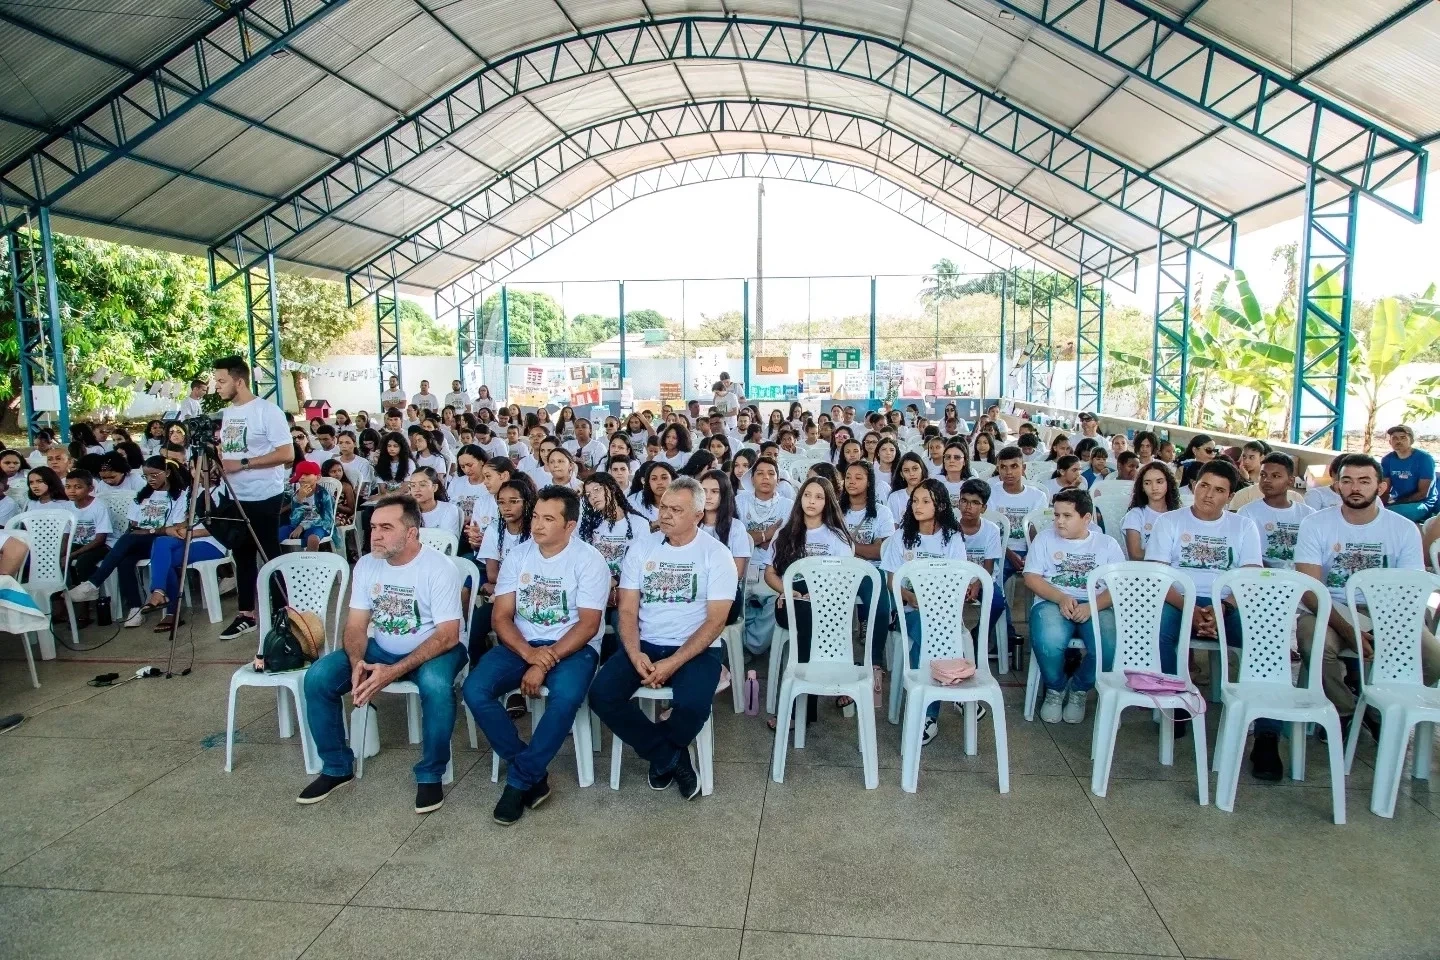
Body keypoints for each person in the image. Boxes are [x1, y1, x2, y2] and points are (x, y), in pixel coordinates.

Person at [298, 495, 464, 812]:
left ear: (412, 532)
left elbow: (448, 636)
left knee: (436, 687)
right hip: (383, 645)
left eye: (386, 527)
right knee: (318, 678)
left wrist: (394, 671)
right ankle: (335, 767)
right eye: (373, 526)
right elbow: (356, 626)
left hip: (434, 648)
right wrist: (356, 662)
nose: (375, 534)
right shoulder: (367, 564)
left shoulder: (438, 568)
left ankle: (430, 774)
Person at [464, 486, 609, 824]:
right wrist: (531, 655)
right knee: (474, 690)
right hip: (522, 644)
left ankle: (518, 780)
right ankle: (527, 765)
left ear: (570, 525)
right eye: (536, 517)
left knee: (565, 697)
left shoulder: (589, 561)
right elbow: (501, 617)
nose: (538, 525)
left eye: (548, 519)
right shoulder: (519, 555)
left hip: (573, 647)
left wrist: (546, 660)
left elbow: (588, 625)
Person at [588, 477, 737, 800]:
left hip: (697, 647)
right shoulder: (642, 548)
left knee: (694, 705)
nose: (665, 515)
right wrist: (635, 651)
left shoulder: (716, 554)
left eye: (676, 510)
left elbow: (716, 620)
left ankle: (661, 756)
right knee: (601, 694)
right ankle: (669, 755)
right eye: (663, 507)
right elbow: (626, 611)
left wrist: (672, 662)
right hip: (646, 642)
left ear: (698, 515)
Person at [1294, 453, 1440, 745]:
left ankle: (1374, 706)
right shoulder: (1316, 524)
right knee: (1314, 641)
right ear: (1337, 486)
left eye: (1364, 481)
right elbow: (1310, 589)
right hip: (1331, 608)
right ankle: (1346, 711)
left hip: (1387, 610)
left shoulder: (1403, 529)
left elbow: (1408, 589)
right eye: (1347, 481)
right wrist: (1349, 630)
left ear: (1381, 487)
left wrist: (1379, 628)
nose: (1355, 488)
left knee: (1433, 660)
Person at [1144, 460, 1270, 770]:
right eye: (1203, 486)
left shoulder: (1243, 526)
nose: (1208, 495)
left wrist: (1223, 607)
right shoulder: (1170, 522)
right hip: (1178, 598)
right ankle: (1176, 703)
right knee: (1160, 629)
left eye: (1219, 490)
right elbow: (1157, 576)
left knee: (1266, 638)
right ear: (1193, 486)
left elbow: (1250, 576)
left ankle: (1267, 731)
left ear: (1230, 496)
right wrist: (1190, 608)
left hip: (1227, 602)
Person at [880, 478, 969, 744]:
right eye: (915, 500)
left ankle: (927, 713)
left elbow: (958, 580)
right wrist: (908, 595)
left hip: (942, 611)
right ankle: (960, 691)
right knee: (930, 632)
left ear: (940, 505)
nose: (918, 506)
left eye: (925, 501)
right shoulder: (901, 537)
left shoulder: (952, 538)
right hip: (908, 611)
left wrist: (934, 600)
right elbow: (891, 580)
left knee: (929, 637)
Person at [1023, 489, 1123, 724]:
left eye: (1067, 516)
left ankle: (1079, 689)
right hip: (1052, 601)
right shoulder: (1045, 539)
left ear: (1086, 518)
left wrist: (1092, 607)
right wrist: (1060, 597)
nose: (1059, 521)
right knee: (1049, 641)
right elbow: (1031, 577)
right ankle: (1055, 689)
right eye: (1056, 515)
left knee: (1107, 646)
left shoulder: (1107, 544)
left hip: (1096, 604)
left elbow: (1118, 586)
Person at [211, 355, 292, 641]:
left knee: (268, 554)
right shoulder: (229, 413)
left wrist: (243, 463)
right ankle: (247, 614)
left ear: (239, 381)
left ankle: (284, 612)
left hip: (264, 495)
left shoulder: (267, 411)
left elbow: (286, 454)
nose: (216, 386)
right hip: (236, 495)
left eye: (221, 381)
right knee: (241, 554)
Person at [764, 477, 855, 726]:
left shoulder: (837, 537)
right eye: (807, 495)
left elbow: (845, 578)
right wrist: (787, 591)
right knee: (803, 612)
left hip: (827, 602)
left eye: (818, 497)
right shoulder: (785, 534)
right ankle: (808, 701)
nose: (811, 501)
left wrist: (817, 595)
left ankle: (800, 709)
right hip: (790, 598)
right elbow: (769, 573)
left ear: (828, 502)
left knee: (810, 615)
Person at [67, 457, 188, 627]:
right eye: (146, 476)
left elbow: (174, 528)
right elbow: (134, 526)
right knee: (125, 560)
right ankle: (135, 608)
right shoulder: (142, 496)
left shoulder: (180, 497)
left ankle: (93, 583)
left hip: (163, 543)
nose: (150, 480)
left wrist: (151, 531)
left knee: (128, 538)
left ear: (167, 473)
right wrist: (151, 530)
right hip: (141, 541)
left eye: (154, 475)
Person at [738, 457, 793, 657]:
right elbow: (736, 537)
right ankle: (740, 644)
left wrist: (751, 537)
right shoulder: (739, 501)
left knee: (779, 600)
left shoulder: (788, 505)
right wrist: (766, 535)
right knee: (733, 602)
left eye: (771, 473)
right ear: (752, 479)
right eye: (760, 473)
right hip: (742, 568)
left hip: (770, 570)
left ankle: (752, 645)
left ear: (778, 479)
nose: (765, 477)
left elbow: (785, 541)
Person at [1237, 453, 1314, 570]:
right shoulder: (1247, 512)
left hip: (1300, 578)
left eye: (1276, 476)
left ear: (1291, 481)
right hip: (1261, 578)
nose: (1267, 480)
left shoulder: (1307, 514)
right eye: (1263, 475)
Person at [987, 446, 1050, 580]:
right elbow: (990, 531)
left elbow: (1035, 530)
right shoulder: (991, 494)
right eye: (1003, 467)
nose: (1008, 472)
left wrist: (1031, 556)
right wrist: (1009, 554)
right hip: (998, 550)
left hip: (1027, 550)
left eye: (1014, 466)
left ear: (1023, 468)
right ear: (998, 469)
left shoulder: (1038, 496)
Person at [63, 469, 112, 623]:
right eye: (68, 486)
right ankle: (62, 604)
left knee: (83, 562)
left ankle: (85, 607)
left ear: (90, 489)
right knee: (57, 562)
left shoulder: (99, 506)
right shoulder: (67, 507)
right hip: (79, 543)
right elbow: (66, 535)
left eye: (77, 487)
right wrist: (62, 554)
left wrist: (71, 555)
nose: (72, 491)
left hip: (102, 545)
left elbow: (100, 539)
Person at [1122, 461, 1179, 561]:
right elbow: (1135, 555)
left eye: (1159, 482)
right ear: (1142, 487)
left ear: (1168, 483)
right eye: (1147, 483)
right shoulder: (1136, 515)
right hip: (1146, 572)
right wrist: (1167, 555)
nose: (1154, 487)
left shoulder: (1179, 514)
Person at [1380, 424, 1436, 523]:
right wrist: (1380, 504)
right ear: (1390, 442)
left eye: (1403, 438)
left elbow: (1423, 494)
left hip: (1422, 504)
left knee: (1384, 515)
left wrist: (1393, 504)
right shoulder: (1387, 460)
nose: (1398, 441)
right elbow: (1385, 489)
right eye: (1395, 438)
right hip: (1396, 501)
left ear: (1411, 440)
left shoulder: (1424, 459)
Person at [279, 460, 335, 551]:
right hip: (297, 526)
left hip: (319, 525)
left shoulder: (324, 495)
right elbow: (294, 520)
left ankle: (310, 563)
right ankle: (276, 562)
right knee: (275, 534)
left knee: (313, 539)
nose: (302, 478)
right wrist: (299, 500)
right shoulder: (296, 495)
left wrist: (303, 526)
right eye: (300, 475)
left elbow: (327, 519)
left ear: (317, 477)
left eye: (307, 474)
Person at [409, 467, 461, 538]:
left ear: (434, 487)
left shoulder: (449, 509)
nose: (417, 490)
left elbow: (448, 540)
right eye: (413, 485)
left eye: (422, 485)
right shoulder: (405, 511)